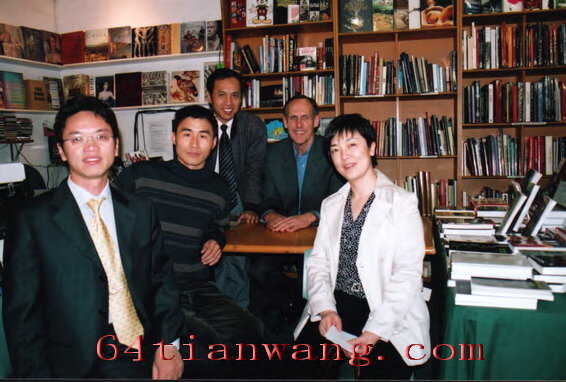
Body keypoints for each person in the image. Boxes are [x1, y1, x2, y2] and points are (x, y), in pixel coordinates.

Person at [2, 96, 185, 379]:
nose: (90, 147)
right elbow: (22, 314)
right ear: (61, 151)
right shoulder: (31, 219)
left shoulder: (140, 210)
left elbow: (161, 282)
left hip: (138, 346)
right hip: (67, 360)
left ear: (115, 145)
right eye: (76, 139)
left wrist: (169, 346)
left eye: (100, 136)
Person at [113, 105, 263, 377]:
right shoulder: (141, 176)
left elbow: (215, 227)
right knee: (208, 350)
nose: (195, 144)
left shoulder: (219, 187)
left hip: (197, 286)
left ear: (214, 142)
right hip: (156, 294)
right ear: (173, 137)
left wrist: (216, 240)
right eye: (187, 134)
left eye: (203, 136)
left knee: (251, 330)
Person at [294, 113, 431, 379]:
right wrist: (326, 309)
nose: (344, 156)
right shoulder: (331, 204)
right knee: (301, 366)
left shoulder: (402, 202)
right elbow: (319, 262)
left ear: (372, 147)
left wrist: (372, 333)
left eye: (352, 145)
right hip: (338, 302)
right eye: (335, 149)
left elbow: (407, 275)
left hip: (386, 306)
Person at [205, 68, 267, 309]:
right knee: (216, 255)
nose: (228, 103)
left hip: (240, 198)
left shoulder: (254, 127)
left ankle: (238, 312)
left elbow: (255, 171)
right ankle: (221, 310)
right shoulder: (200, 124)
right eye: (221, 95)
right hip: (207, 199)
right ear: (209, 96)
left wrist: (250, 208)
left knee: (237, 256)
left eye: (235, 95)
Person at [261, 95, 344, 232]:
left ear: (316, 121)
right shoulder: (272, 154)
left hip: (323, 232)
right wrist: (271, 216)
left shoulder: (332, 153)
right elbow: (266, 198)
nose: (299, 125)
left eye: (305, 117)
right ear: (285, 122)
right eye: (293, 118)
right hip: (282, 234)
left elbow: (339, 200)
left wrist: (311, 216)